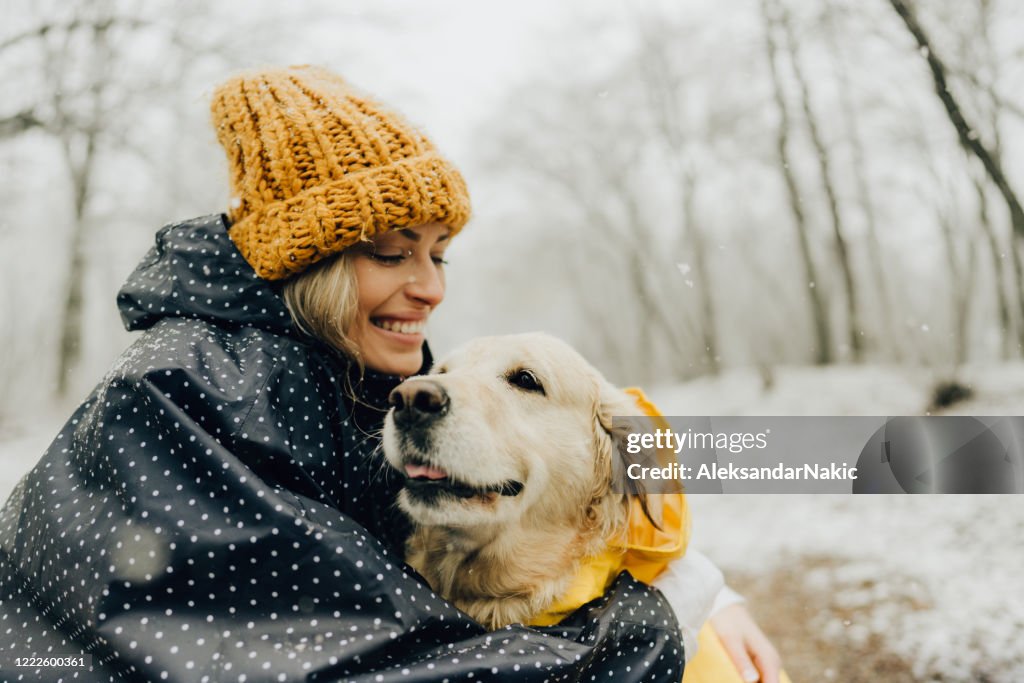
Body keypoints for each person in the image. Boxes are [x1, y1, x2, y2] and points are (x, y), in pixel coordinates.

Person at [0, 65, 781, 682]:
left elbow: (603, 452)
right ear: (311, 256)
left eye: (438, 253)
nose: (433, 286)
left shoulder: (353, 369)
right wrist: (655, 629)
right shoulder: (184, 393)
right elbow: (370, 662)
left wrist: (694, 573)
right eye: (391, 251)